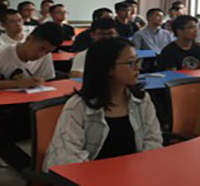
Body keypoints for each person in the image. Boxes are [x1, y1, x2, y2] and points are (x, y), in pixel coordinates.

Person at [0, 22, 63, 171]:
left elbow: (48, 85)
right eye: (41, 48)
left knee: (54, 125)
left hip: (20, 113)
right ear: (29, 38)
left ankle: (51, 171)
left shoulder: (45, 57)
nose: (41, 55)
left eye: (48, 52)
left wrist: (41, 84)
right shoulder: (1, 52)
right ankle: (32, 172)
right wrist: (17, 84)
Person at [44, 38, 162, 170]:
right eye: (130, 63)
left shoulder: (141, 99)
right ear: (108, 68)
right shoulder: (78, 106)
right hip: (89, 175)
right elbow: (68, 155)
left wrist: (141, 168)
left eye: (137, 61)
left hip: (134, 172)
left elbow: (153, 139)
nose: (138, 68)